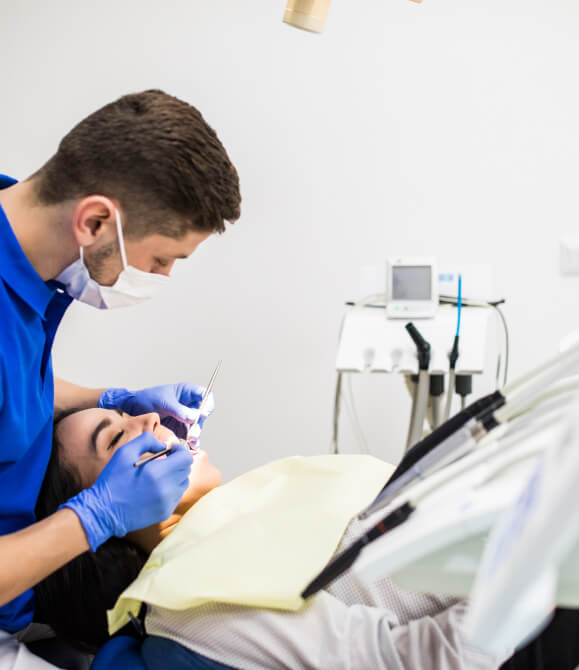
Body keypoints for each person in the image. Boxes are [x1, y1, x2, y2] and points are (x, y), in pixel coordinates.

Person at [0, 90, 241, 669]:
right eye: (162, 260)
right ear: (96, 220)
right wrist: (98, 515)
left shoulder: (25, 262)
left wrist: (109, 399)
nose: (160, 276)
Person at [34, 407, 501, 670]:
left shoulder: (257, 501)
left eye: (126, 412)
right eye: (117, 438)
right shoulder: (199, 603)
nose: (151, 418)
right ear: (104, 520)